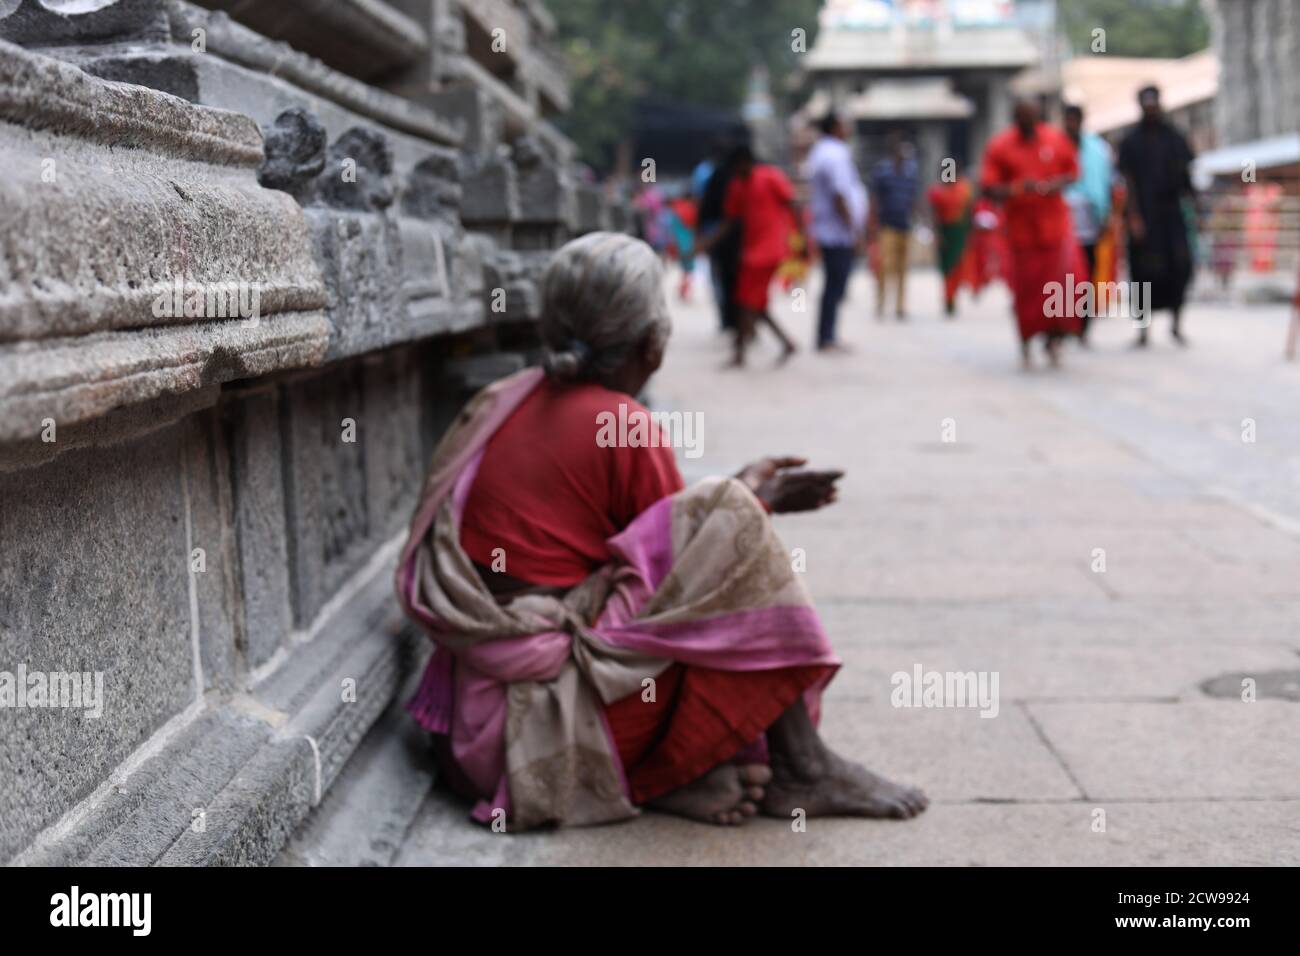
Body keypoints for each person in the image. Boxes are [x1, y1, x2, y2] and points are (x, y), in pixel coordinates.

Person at [396, 232, 929, 830]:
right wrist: (749, 501)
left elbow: (658, 539)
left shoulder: (504, 397)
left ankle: (681, 779)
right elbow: (691, 572)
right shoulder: (623, 423)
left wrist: (743, 498)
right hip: (542, 730)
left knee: (726, 517)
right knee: (731, 535)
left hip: (467, 730)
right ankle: (800, 766)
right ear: (653, 341)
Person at [980, 98, 1081, 369]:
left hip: (1055, 229)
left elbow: (1072, 172)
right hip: (1021, 233)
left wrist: (1055, 184)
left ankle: (1054, 338)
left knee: (1060, 286)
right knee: (1026, 290)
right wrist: (1017, 188)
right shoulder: (1000, 146)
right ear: (1015, 119)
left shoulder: (1055, 139)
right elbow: (988, 186)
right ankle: (1025, 339)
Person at [702, 144, 801, 367]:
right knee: (754, 304)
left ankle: (739, 354)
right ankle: (786, 343)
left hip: (769, 251)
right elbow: (730, 220)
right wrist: (708, 242)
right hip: (752, 253)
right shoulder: (737, 186)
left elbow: (792, 203)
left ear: (745, 162)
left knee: (746, 302)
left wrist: (800, 240)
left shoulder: (770, 177)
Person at [1118, 85, 1196, 347]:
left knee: (1180, 266)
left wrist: (1193, 210)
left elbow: (1187, 178)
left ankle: (1176, 325)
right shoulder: (1130, 141)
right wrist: (1133, 216)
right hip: (1143, 216)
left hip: (1171, 216)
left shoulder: (1174, 137)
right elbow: (1127, 180)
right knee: (1141, 274)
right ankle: (1142, 330)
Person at [806, 112, 867, 352]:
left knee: (835, 284)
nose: (848, 128)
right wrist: (853, 228)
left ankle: (827, 334)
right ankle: (826, 337)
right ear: (834, 127)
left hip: (831, 229)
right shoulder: (834, 154)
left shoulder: (824, 151)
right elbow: (839, 194)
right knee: (836, 284)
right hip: (837, 231)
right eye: (845, 124)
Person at [1062, 104, 1113, 345]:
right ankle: (1062, 322)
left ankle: (1083, 324)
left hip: (1090, 221)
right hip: (1061, 222)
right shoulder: (1054, 146)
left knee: (1087, 272)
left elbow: (1107, 184)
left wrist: (1105, 216)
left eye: (1075, 119)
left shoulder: (1098, 149)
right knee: (1063, 275)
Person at [869, 131, 919, 320]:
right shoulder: (882, 172)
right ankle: (881, 303)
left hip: (904, 225)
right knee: (885, 265)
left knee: (903, 268)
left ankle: (900, 306)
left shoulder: (910, 173)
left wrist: (917, 218)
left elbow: (913, 198)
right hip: (887, 225)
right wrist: (872, 224)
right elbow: (874, 198)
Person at [696, 139, 742, 333]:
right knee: (736, 277)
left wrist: (700, 234)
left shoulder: (706, 172)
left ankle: (728, 319)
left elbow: (702, 202)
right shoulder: (738, 174)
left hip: (716, 231)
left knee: (720, 277)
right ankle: (738, 319)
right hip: (733, 233)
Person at [926, 171, 976, 317]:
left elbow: (969, 211)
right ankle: (948, 298)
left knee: (958, 266)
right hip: (945, 233)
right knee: (947, 269)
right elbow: (934, 214)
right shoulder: (937, 192)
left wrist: (970, 232)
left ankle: (953, 296)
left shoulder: (964, 189)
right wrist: (938, 234)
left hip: (959, 232)